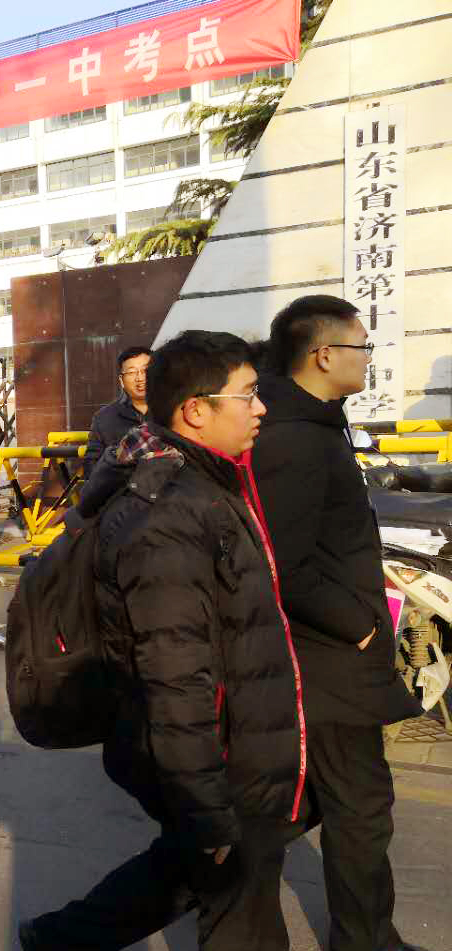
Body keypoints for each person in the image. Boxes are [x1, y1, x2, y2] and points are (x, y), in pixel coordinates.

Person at [19, 331, 307, 951]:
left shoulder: (207, 484)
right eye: (248, 395)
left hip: (238, 740)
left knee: (191, 874)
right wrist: (205, 803)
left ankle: (59, 937)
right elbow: (174, 673)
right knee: (233, 903)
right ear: (196, 410)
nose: (260, 408)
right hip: (218, 752)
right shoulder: (171, 513)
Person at [253, 296, 426, 951]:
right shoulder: (295, 438)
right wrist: (359, 626)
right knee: (360, 807)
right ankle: (366, 940)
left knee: (306, 812)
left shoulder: (315, 423)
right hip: (326, 659)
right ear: (324, 355)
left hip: (334, 653)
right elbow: (286, 564)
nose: (367, 358)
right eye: (361, 346)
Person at [83, 346, 153, 479]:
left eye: (145, 370)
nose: (140, 378)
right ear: (121, 381)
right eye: (132, 372)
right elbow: (92, 466)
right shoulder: (104, 418)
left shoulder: (174, 411)